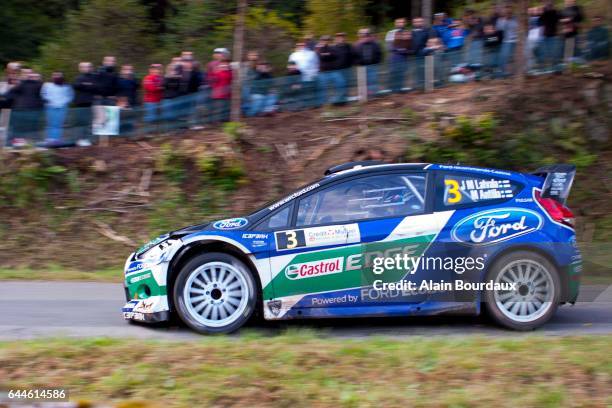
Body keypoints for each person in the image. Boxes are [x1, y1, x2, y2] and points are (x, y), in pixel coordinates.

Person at [8, 68, 44, 141]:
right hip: (19, 110)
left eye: (29, 73)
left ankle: (32, 144)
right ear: (21, 74)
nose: (27, 74)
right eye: (25, 73)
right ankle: (16, 144)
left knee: (32, 129)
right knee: (18, 129)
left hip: (34, 110)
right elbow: (9, 94)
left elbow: (42, 95)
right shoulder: (18, 83)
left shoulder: (37, 84)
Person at [41, 72, 74, 143]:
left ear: (62, 77)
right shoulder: (47, 85)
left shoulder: (67, 86)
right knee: (50, 123)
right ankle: (49, 139)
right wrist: (50, 101)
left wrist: (63, 103)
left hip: (62, 107)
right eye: (55, 75)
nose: (57, 77)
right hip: (50, 107)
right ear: (52, 77)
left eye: (59, 75)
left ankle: (57, 139)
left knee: (59, 124)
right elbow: (43, 94)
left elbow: (71, 96)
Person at [288, 40, 319, 106]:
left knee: (310, 91)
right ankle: (302, 105)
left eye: (302, 45)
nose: (300, 46)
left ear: (305, 45)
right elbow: (289, 66)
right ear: (296, 46)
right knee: (300, 92)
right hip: (298, 78)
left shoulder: (312, 53)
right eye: (298, 45)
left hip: (309, 77)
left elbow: (317, 64)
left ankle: (312, 104)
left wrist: (315, 73)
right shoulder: (293, 55)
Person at [72, 62, 97, 143]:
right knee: (80, 121)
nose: (87, 68)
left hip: (91, 103)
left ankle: (88, 139)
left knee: (89, 121)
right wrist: (87, 85)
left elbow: (95, 87)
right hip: (80, 103)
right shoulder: (77, 77)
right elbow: (76, 86)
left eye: (88, 67)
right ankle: (79, 139)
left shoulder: (94, 77)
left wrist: (84, 85)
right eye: (84, 67)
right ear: (80, 68)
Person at [353, 28, 382, 95]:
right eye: (364, 36)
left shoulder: (375, 44)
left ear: (370, 36)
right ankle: (363, 97)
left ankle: (373, 96)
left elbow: (379, 54)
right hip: (361, 67)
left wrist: (376, 61)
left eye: (367, 36)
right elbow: (353, 56)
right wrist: (357, 63)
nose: (366, 37)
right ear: (361, 36)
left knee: (373, 81)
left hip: (372, 66)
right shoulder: (356, 45)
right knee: (362, 82)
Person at [316, 35, 343, 105]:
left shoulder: (332, 48)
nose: (325, 42)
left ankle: (337, 101)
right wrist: (328, 55)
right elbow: (321, 57)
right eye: (323, 40)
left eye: (326, 40)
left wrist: (327, 55)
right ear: (321, 41)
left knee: (340, 83)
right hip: (323, 72)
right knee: (322, 87)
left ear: (328, 41)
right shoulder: (318, 49)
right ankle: (323, 102)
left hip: (333, 71)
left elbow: (336, 56)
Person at [496, 5, 519, 77]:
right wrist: (506, 20)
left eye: (509, 10)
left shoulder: (516, 18)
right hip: (506, 41)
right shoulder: (500, 20)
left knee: (515, 57)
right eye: (506, 10)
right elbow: (499, 29)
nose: (508, 12)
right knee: (504, 56)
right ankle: (503, 71)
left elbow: (519, 27)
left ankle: (514, 72)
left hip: (516, 40)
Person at [539, 1, 560, 71]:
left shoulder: (555, 12)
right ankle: (543, 67)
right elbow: (540, 21)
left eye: (550, 5)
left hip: (553, 35)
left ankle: (555, 68)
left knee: (553, 53)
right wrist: (544, 10)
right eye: (548, 5)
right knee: (544, 52)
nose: (548, 6)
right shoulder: (545, 13)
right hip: (545, 35)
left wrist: (546, 10)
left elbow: (557, 20)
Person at [332, 32, 353, 104]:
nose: (341, 38)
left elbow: (352, 55)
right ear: (336, 39)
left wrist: (351, 64)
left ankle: (345, 100)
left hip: (347, 69)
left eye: (342, 37)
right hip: (337, 70)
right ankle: (338, 101)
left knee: (346, 84)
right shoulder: (333, 47)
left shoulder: (348, 46)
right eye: (339, 37)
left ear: (345, 38)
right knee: (340, 85)